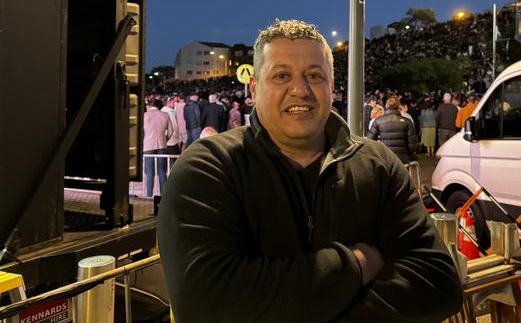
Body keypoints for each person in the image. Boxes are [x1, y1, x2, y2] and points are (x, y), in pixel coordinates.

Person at [159, 19, 462, 322]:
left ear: (331, 87)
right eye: (281, 75)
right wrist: (355, 264)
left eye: (314, 76)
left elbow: (437, 283)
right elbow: (203, 304)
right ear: (254, 88)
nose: (300, 89)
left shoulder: (379, 165)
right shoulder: (208, 167)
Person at [367, 96, 418, 164]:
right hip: (402, 160)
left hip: (384, 158)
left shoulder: (378, 121)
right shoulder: (407, 122)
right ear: (398, 106)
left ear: (386, 106)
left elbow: (370, 141)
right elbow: (413, 146)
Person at [143, 99, 173, 197]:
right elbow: (171, 132)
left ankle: (149, 195)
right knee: (162, 171)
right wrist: (165, 139)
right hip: (161, 144)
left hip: (148, 146)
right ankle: (163, 195)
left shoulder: (145, 115)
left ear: (151, 106)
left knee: (150, 172)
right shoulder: (165, 115)